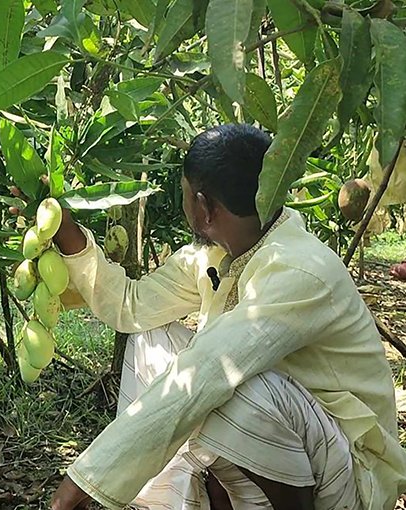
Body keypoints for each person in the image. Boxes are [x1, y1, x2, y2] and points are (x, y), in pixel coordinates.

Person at [47, 124, 406, 509]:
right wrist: (65, 229)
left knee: (229, 387)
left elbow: (208, 371)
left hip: (349, 474)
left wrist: (80, 483)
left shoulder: (300, 269)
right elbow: (133, 306)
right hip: (294, 447)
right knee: (152, 339)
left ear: (203, 207)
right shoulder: (221, 254)